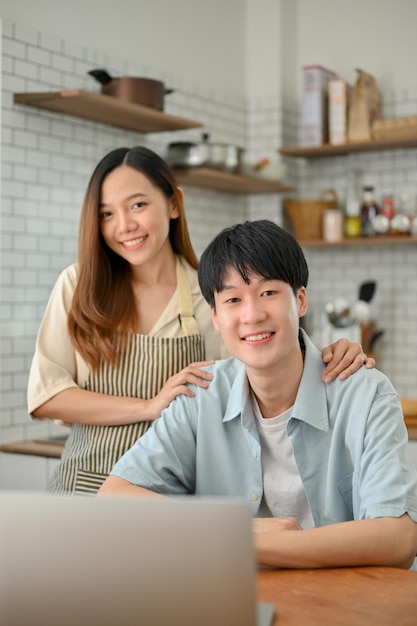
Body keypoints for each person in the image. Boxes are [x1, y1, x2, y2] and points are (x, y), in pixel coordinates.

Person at [28, 147, 373, 495]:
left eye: (138, 205)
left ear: (174, 204)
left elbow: (262, 373)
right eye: (106, 213)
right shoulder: (78, 285)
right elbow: (47, 397)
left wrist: (330, 356)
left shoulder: (214, 293)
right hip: (82, 490)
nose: (124, 225)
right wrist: (147, 407)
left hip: (168, 502)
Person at [99, 219, 417, 571]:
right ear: (216, 318)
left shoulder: (364, 393)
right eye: (233, 299)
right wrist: (240, 530)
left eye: (268, 292)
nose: (252, 314)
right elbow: (114, 497)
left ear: (300, 300)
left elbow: (399, 538)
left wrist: (251, 544)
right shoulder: (201, 394)